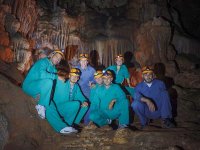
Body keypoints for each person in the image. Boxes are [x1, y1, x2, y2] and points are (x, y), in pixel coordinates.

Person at [22, 50, 64, 119]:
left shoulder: (53, 69)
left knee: (52, 105)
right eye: (57, 57)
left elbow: (58, 81)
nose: (58, 60)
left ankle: (63, 127)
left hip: (38, 91)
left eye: (59, 59)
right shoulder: (43, 62)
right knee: (49, 82)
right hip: (29, 86)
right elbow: (42, 74)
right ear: (51, 55)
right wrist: (56, 77)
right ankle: (41, 106)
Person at [46, 68, 89, 134]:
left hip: (67, 107)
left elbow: (81, 97)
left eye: (77, 76)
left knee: (85, 105)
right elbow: (54, 77)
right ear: (69, 76)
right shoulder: (63, 81)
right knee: (76, 104)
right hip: (57, 107)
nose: (75, 78)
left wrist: (85, 101)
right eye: (73, 75)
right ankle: (67, 125)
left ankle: (74, 123)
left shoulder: (76, 86)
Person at [76, 53, 96, 124]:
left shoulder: (92, 70)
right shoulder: (76, 69)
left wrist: (93, 83)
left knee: (88, 103)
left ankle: (86, 122)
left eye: (85, 61)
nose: (84, 63)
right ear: (79, 61)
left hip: (87, 91)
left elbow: (95, 80)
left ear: (87, 61)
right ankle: (76, 120)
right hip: (77, 90)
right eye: (82, 61)